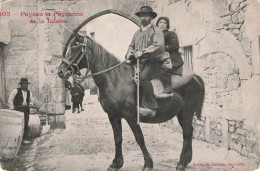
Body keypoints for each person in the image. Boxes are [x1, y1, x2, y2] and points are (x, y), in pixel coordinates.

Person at [125, 6, 165, 118]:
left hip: (153, 61)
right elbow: (131, 46)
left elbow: (159, 45)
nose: (144, 18)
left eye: (146, 15)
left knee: (143, 78)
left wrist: (143, 52)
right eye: (142, 15)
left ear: (151, 17)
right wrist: (130, 53)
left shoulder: (156, 30)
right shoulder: (137, 33)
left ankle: (152, 107)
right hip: (138, 62)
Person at [156, 16, 184, 92]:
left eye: (164, 23)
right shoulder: (155, 36)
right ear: (157, 24)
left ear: (167, 25)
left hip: (171, 57)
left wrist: (164, 47)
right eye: (160, 22)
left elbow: (175, 46)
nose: (162, 24)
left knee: (163, 67)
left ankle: (168, 86)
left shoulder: (171, 34)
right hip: (158, 56)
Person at [8, 78, 34, 144]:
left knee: (25, 124)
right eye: (24, 84)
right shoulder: (15, 91)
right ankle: (16, 139)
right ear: (21, 85)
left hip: (26, 111)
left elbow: (31, 101)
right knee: (17, 124)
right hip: (18, 110)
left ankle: (24, 139)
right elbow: (10, 100)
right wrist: (12, 109)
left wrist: (30, 104)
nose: (25, 86)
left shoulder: (29, 92)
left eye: (26, 84)